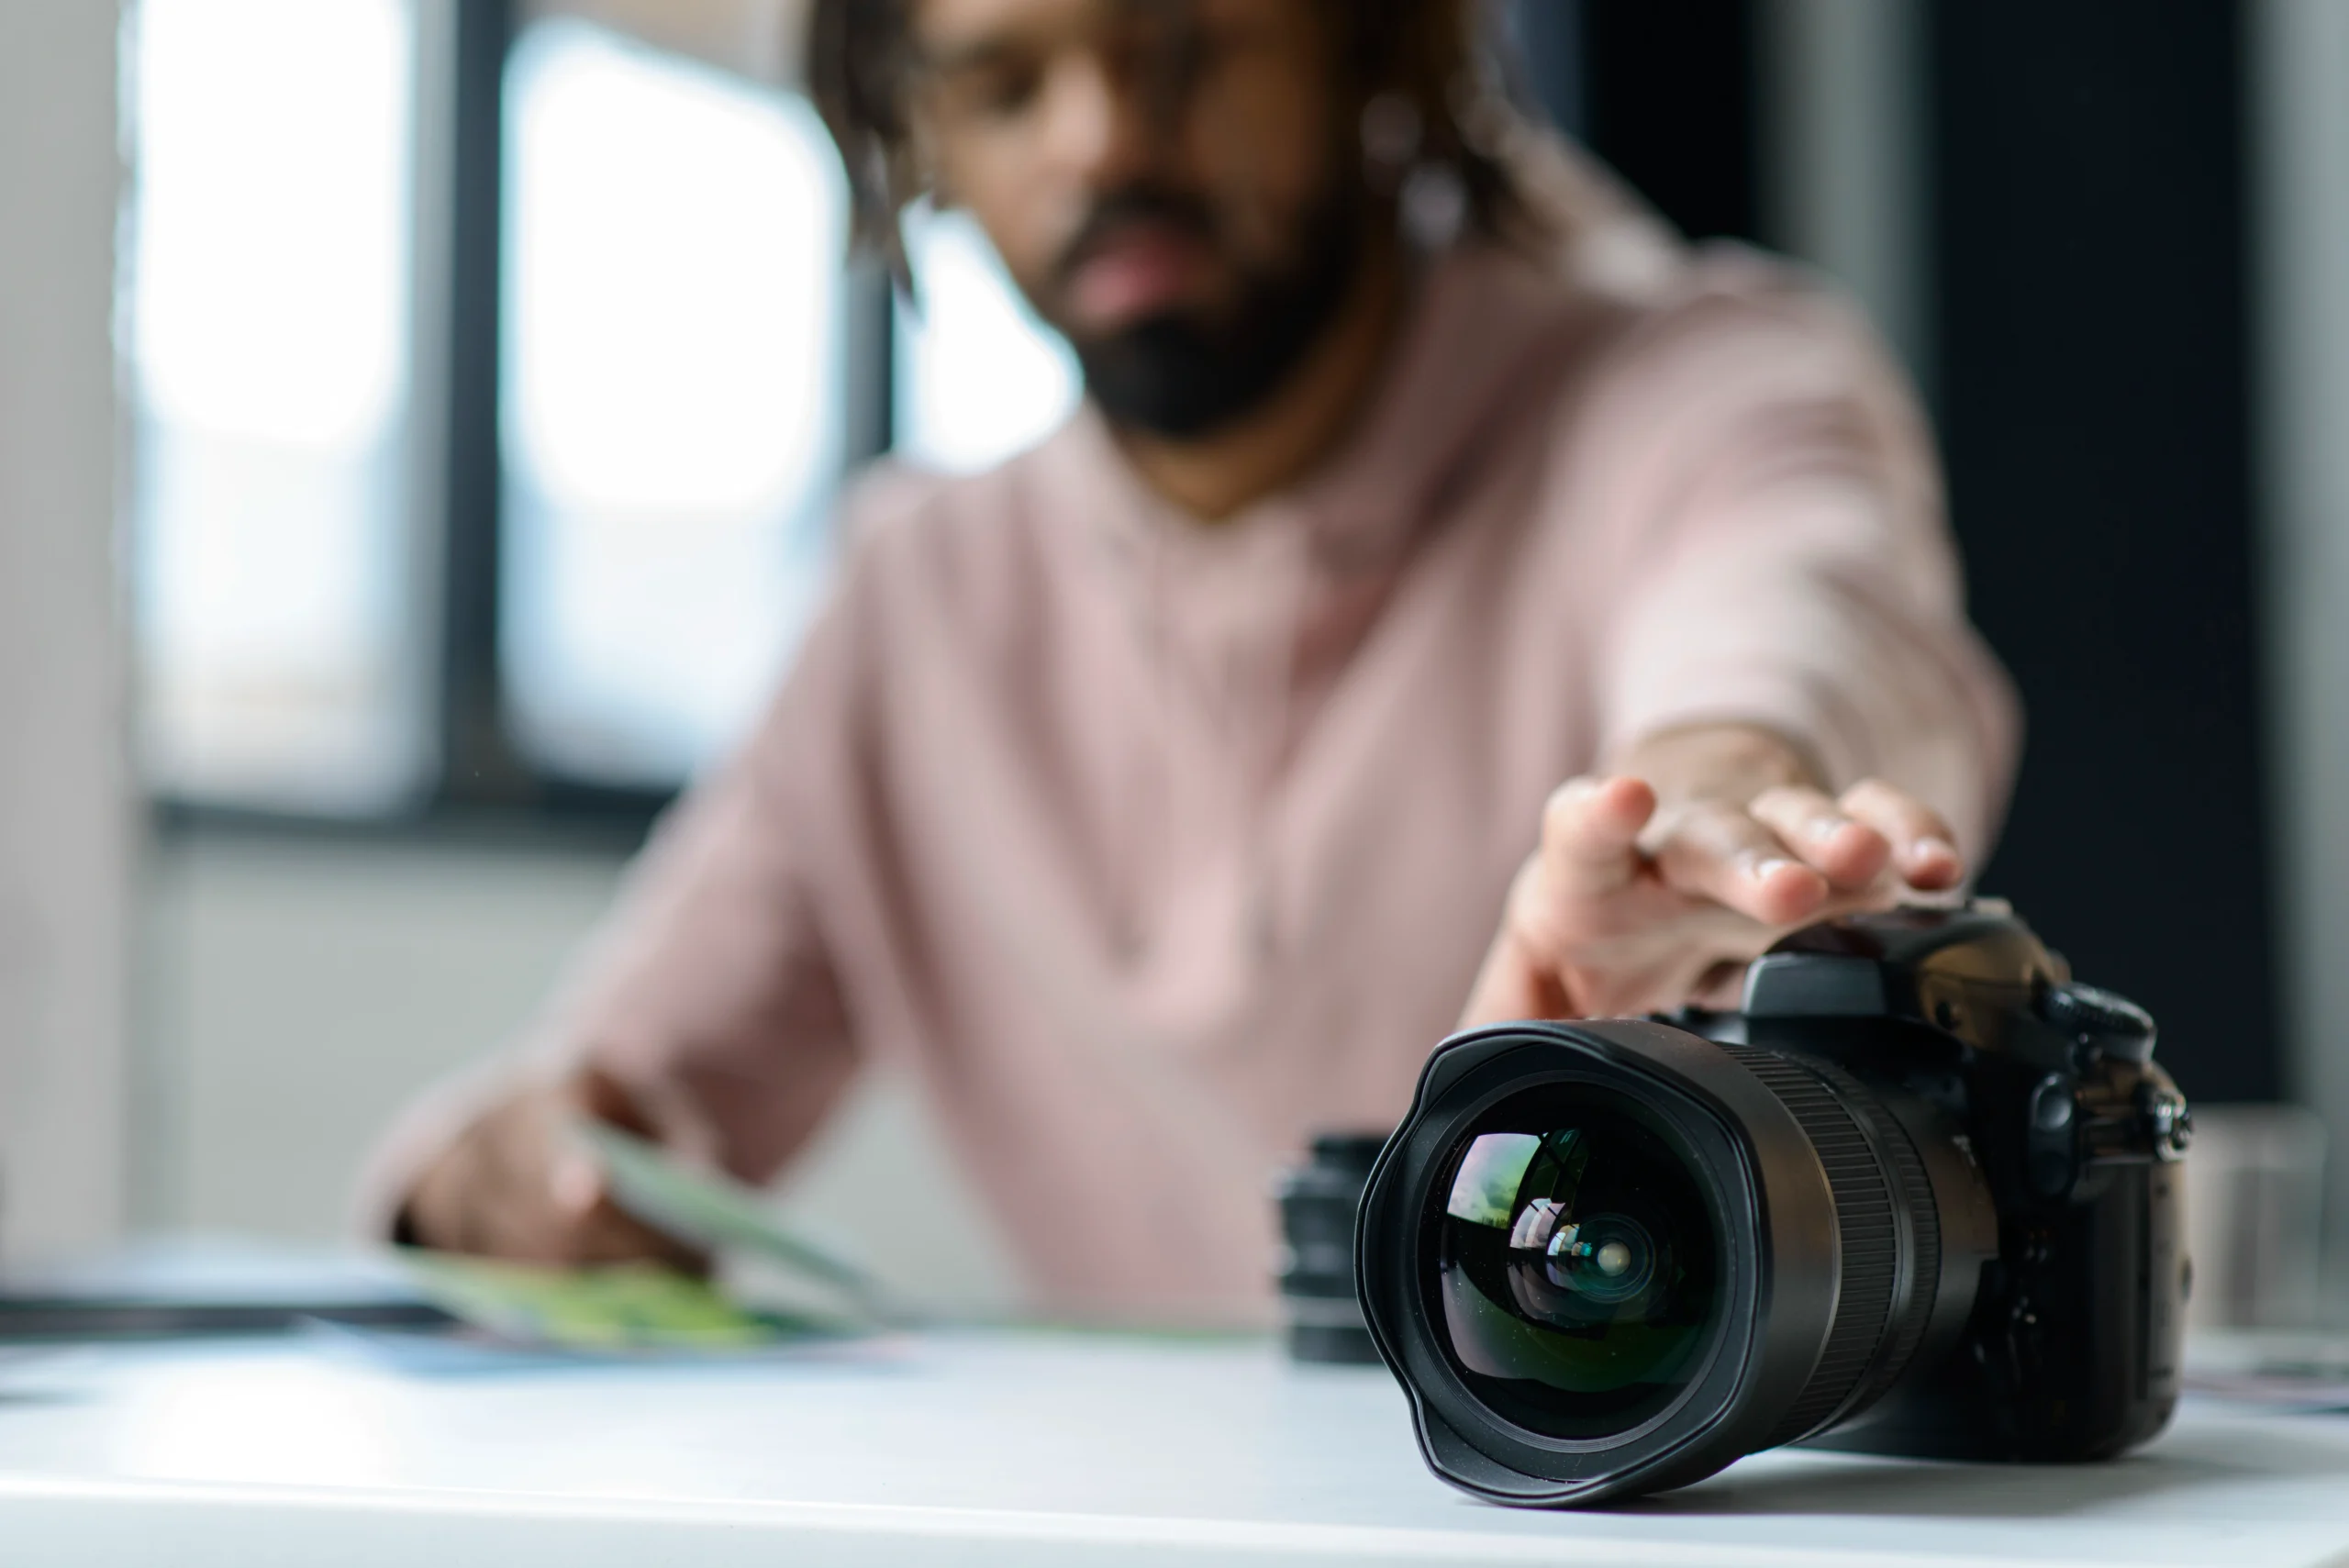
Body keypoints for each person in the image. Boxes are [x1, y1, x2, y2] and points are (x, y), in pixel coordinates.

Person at [370, 0, 2016, 1321]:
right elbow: (614, 1106)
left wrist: (1722, 789)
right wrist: (506, 1183)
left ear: (1373, 43)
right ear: (920, 142)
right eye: (1004, 85)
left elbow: (1790, 625)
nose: (1100, 140)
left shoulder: (1702, 381)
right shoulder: (917, 598)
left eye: (1182, 44)